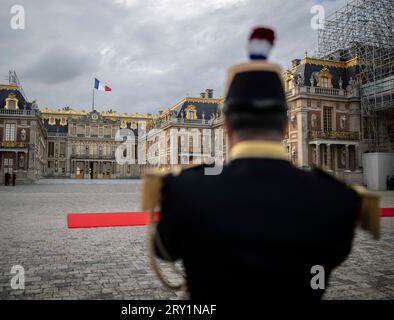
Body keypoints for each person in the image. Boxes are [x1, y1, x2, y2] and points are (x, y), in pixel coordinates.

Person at [142, 27, 380, 300]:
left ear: (227, 126)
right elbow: (336, 253)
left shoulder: (185, 191)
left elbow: (165, 250)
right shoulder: (336, 198)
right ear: (285, 123)